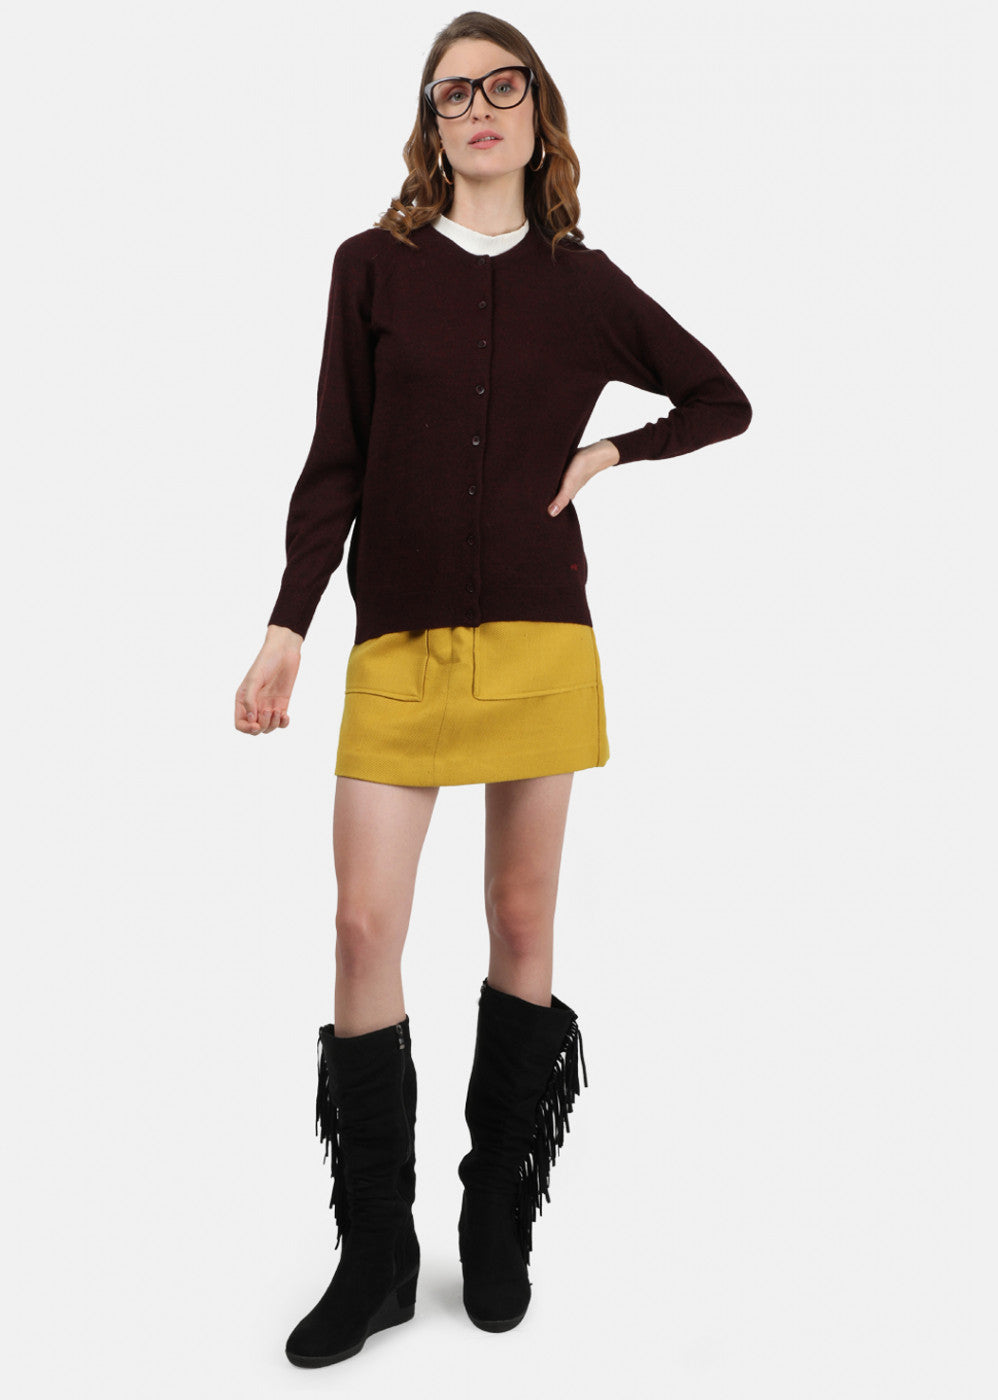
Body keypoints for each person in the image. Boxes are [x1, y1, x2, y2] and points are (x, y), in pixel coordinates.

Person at [235, 10, 752, 1369]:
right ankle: (375, 1251)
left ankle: (497, 1214)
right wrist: (288, 624)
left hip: (538, 640)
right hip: (398, 643)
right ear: (430, 124)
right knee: (362, 927)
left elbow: (719, 398)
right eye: (449, 93)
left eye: (498, 87)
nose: (475, 109)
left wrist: (610, 455)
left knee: (522, 920)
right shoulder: (372, 268)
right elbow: (333, 459)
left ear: (537, 112)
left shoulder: (583, 282)